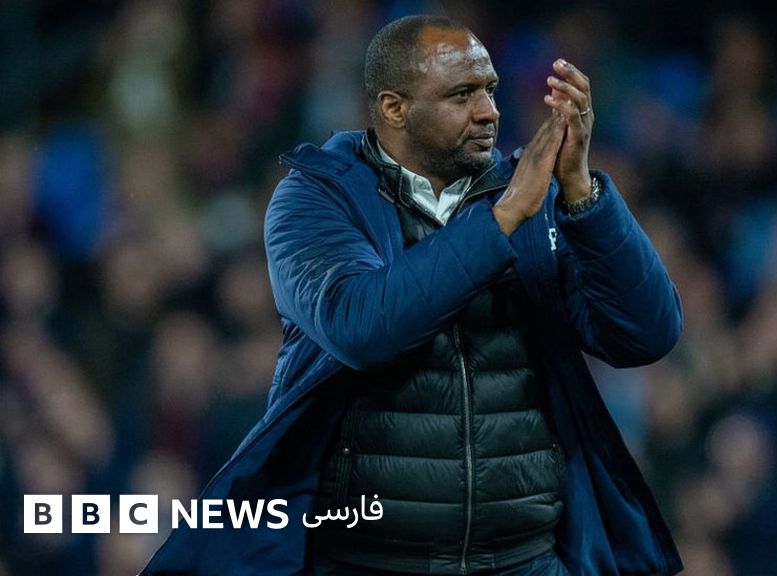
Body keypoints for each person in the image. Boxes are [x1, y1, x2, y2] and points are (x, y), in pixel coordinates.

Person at [141, 14, 683, 576]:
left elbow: (647, 334)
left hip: (526, 558)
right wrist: (500, 222)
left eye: (491, 90)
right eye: (462, 95)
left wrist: (582, 194)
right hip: (368, 562)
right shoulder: (317, 198)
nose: (489, 112)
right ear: (394, 108)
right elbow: (362, 326)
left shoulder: (530, 196)